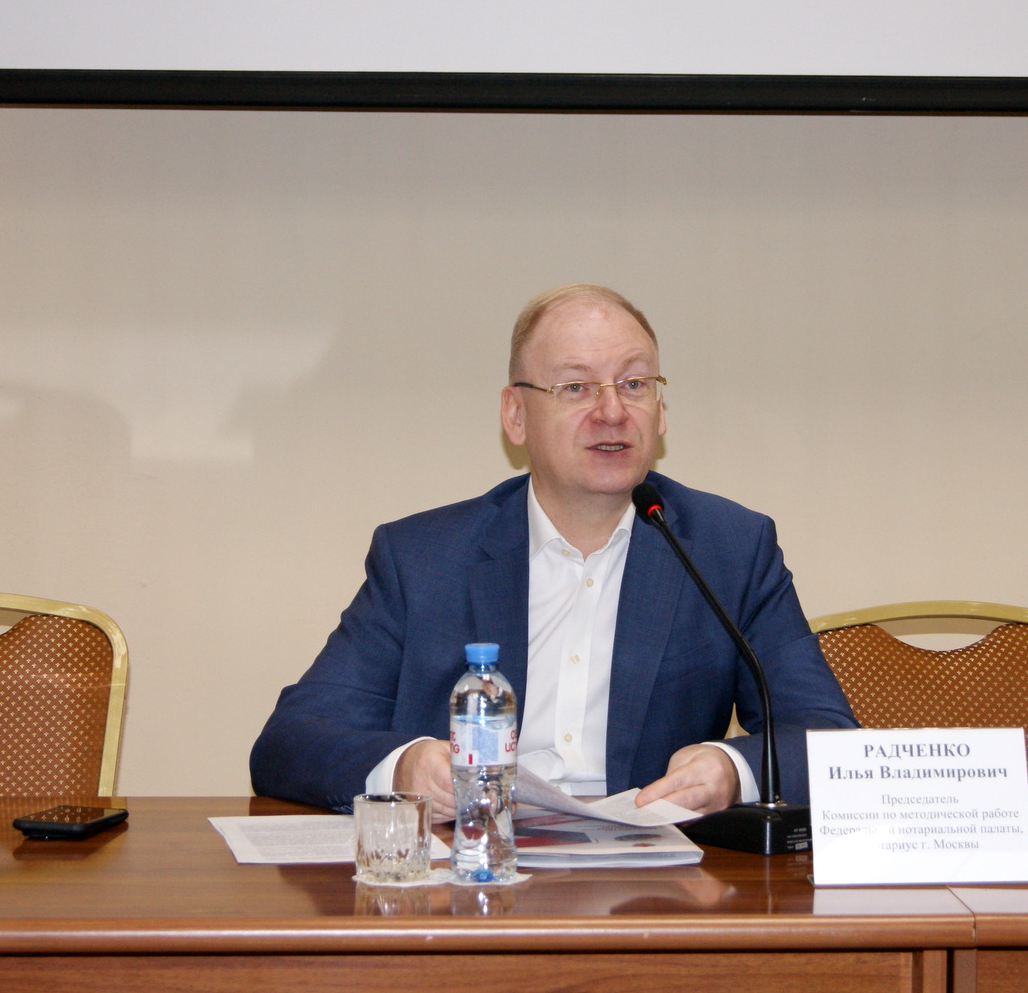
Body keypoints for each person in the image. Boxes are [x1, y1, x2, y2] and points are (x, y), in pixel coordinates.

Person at [250, 284, 856, 818]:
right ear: (516, 415)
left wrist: (734, 770)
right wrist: (406, 767)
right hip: (476, 867)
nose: (612, 411)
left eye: (634, 384)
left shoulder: (729, 548)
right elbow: (291, 741)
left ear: (660, 411)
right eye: (576, 387)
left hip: (655, 882)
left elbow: (827, 737)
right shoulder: (422, 559)